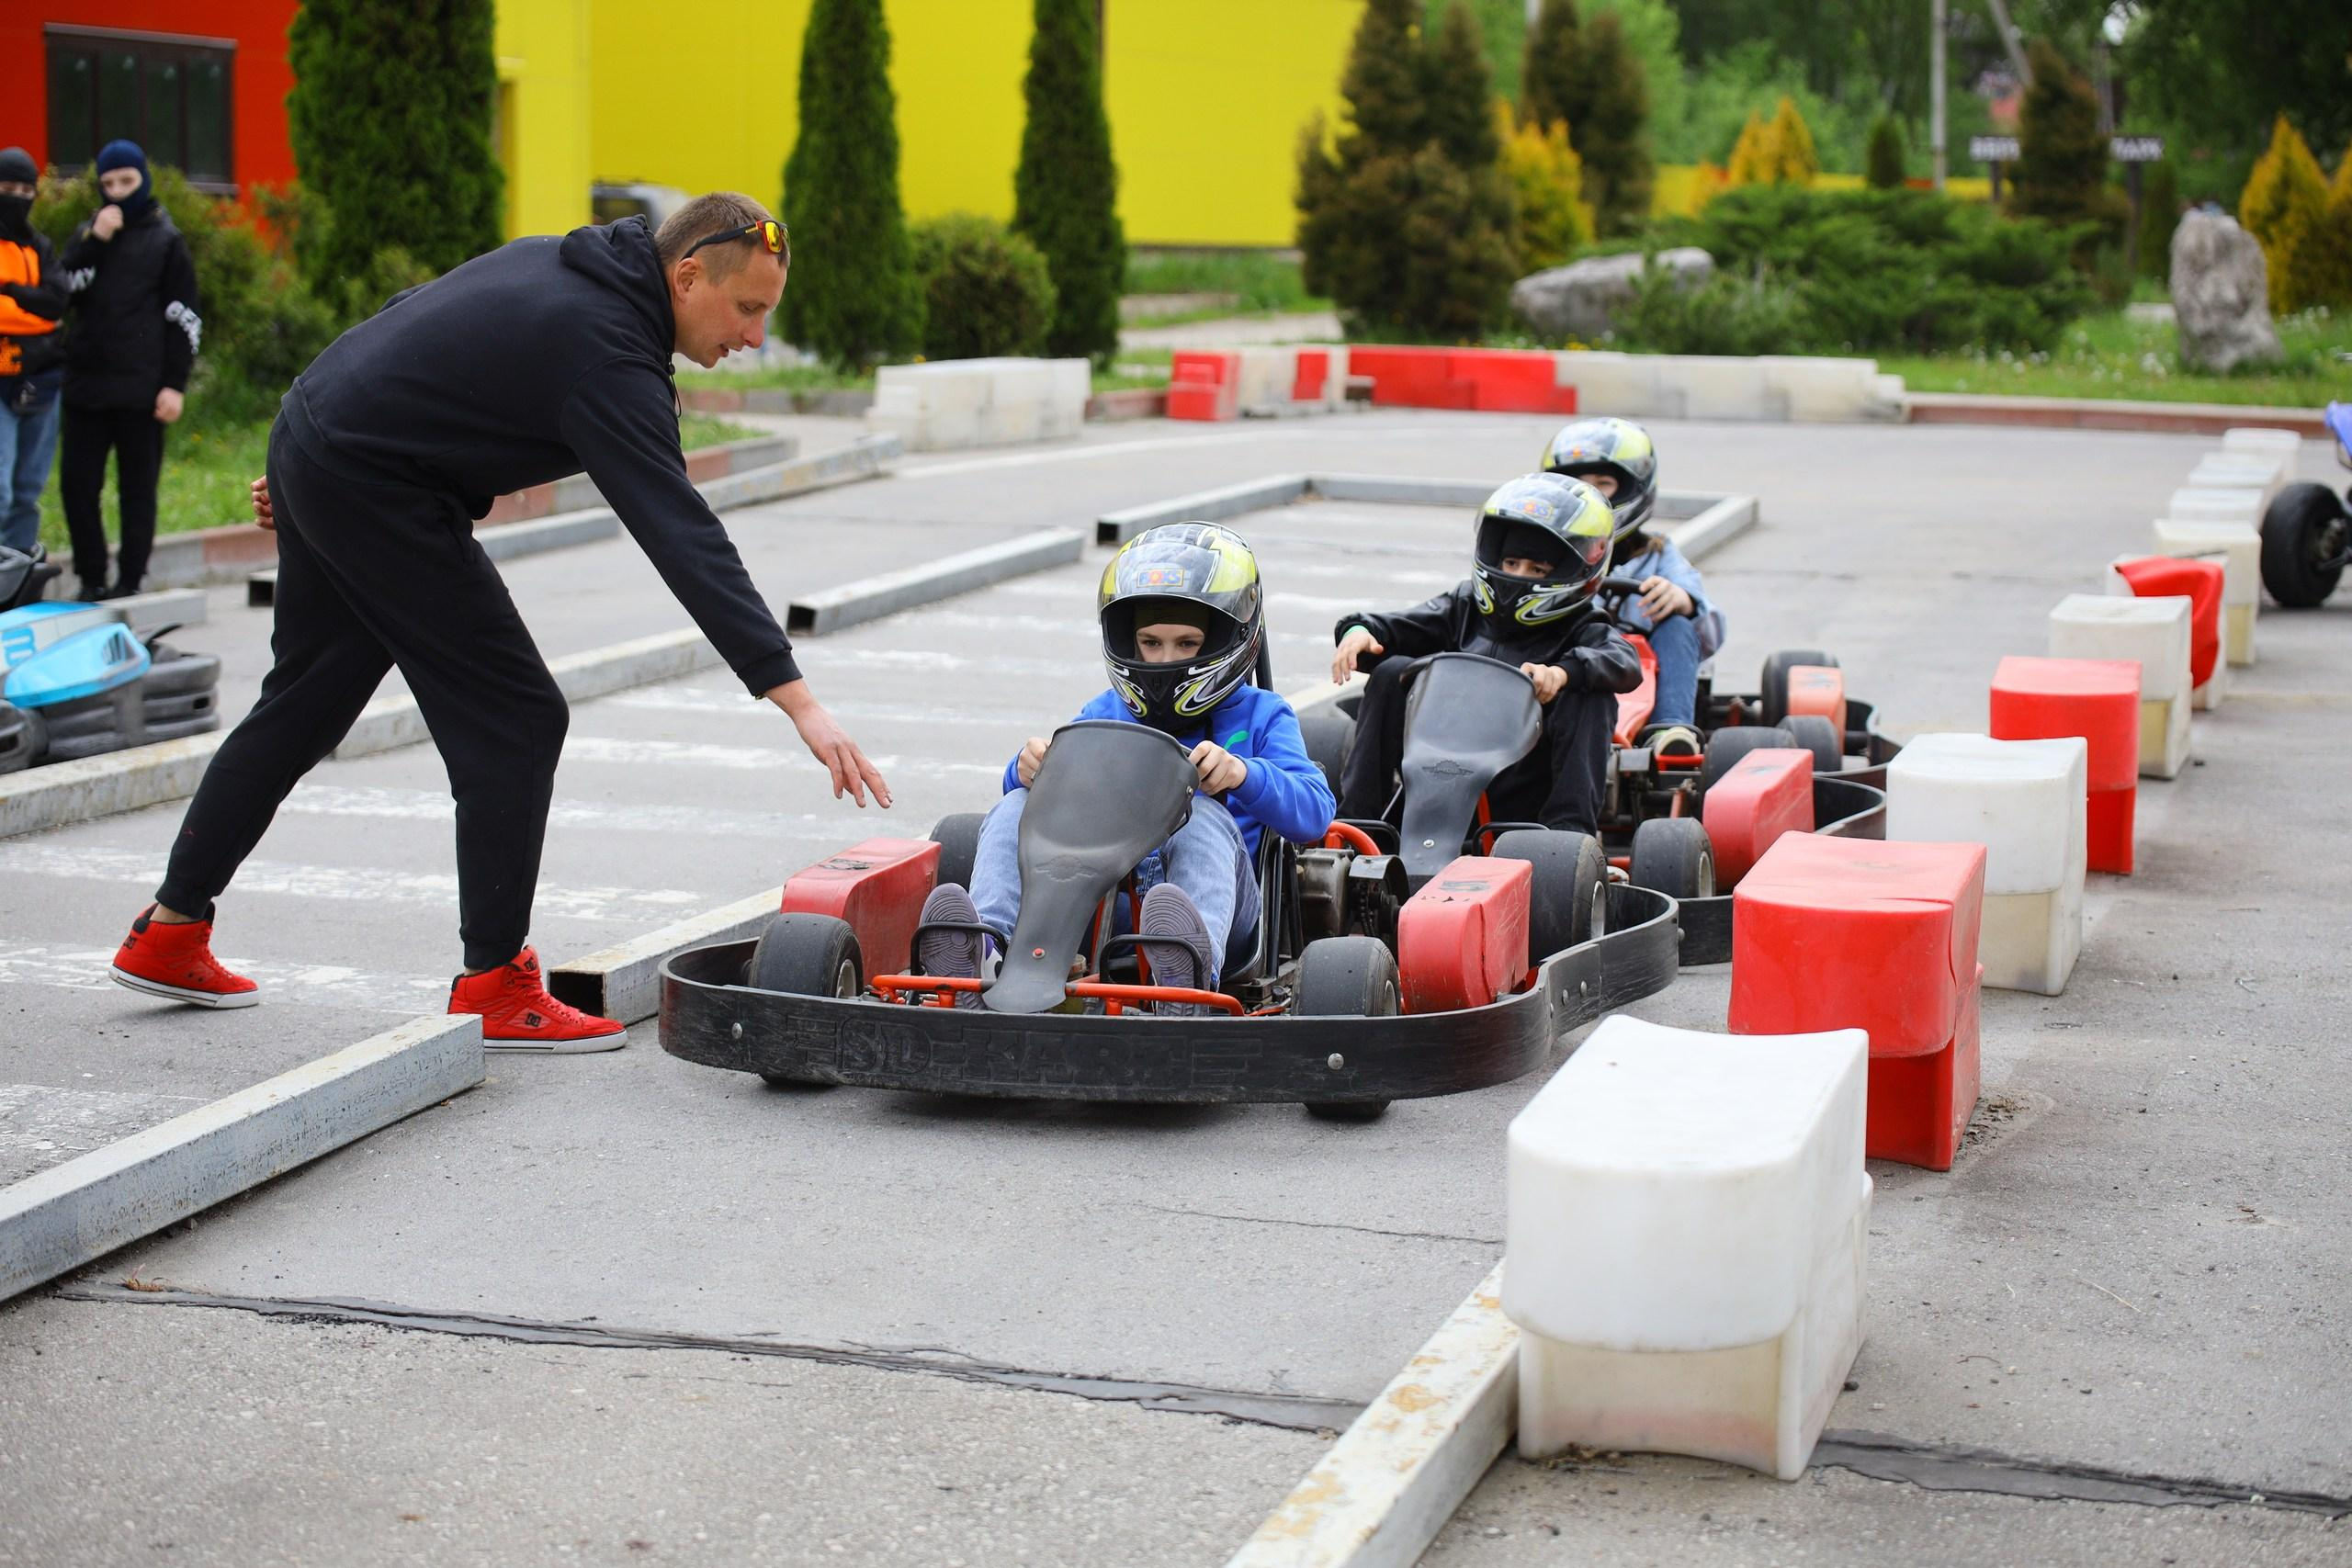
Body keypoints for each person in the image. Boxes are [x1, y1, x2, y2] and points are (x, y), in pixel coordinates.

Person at [107, 191, 888, 1050]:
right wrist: (795, 696)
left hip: (324, 436)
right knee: (517, 717)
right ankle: (493, 984)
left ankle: (172, 929)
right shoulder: (607, 354)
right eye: (747, 310)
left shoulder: (567, 264)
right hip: (368, 479)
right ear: (688, 272)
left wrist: (304, 461)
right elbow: (679, 530)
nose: (753, 337)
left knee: (306, 701)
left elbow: (409, 321)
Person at [918, 524, 1335, 1010]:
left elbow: (1315, 814)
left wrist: (1245, 775)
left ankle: (1186, 980)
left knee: (1200, 816)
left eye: (1187, 643)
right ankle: (987, 957)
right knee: (1015, 807)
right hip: (1101, 905)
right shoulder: (1104, 713)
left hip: (1223, 912)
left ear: (1228, 637)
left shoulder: (1262, 715)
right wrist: (1027, 768)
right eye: (1150, 643)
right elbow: (1051, 801)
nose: (1165, 658)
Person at [1329, 472, 1640, 835]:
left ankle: (1568, 838)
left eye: (1537, 569)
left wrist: (1563, 673)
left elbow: (1625, 662)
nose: (1518, 575)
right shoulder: (1463, 609)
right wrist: (1360, 632)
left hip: (1524, 794)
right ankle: (1362, 826)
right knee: (1390, 671)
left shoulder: (1582, 626)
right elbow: (1397, 627)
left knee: (1588, 696)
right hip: (1440, 767)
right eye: (1511, 563)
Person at [57, 141, 198, 601]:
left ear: (144, 180)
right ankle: (91, 578)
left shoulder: (166, 240)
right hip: (86, 386)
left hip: (142, 390)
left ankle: (130, 581)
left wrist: (174, 384)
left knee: (137, 491)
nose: (116, 193)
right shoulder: (89, 237)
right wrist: (93, 241)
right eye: (108, 184)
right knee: (78, 487)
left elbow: (184, 316)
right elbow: (61, 295)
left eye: (126, 182)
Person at [1538, 415, 1723, 750]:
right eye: (1577, 484)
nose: (1590, 494)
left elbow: (1710, 629)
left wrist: (1682, 598)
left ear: (1632, 487)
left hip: (1643, 665)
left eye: (1603, 483)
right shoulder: (1547, 557)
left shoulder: (1659, 553)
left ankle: (1670, 732)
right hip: (1575, 664)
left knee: (1679, 626)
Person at [0, 147, 67, 559]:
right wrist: (37, 312)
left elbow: (58, 304)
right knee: (0, 487)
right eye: (9, 188)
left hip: (42, 381)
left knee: (28, 488)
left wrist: (11, 295)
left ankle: (17, 570)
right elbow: (44, 312)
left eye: (27, 189)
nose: (19, 197)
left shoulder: (39, 246)